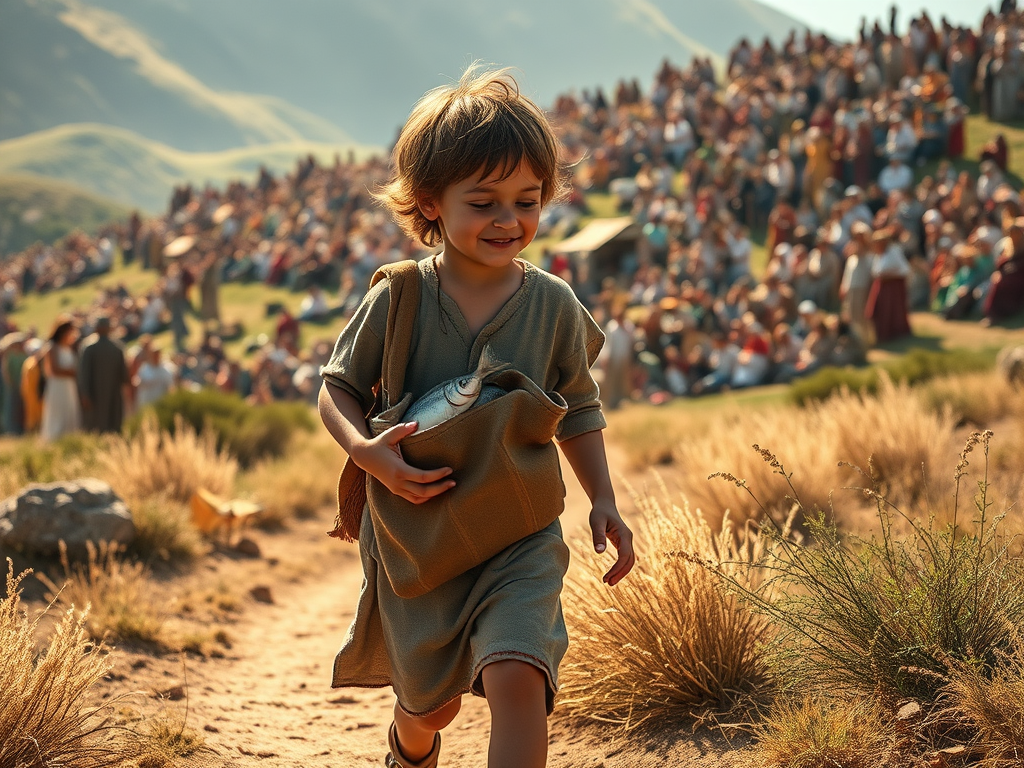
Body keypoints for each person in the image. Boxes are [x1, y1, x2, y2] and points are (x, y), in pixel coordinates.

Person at [317, 68, 635, 768]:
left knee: (520, 675)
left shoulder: (553, 304)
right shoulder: (398, 297)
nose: (508, 220)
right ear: (430, 201)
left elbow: (578, 405)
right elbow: (335, 388)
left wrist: (603, 498)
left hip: (519, 532)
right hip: (419, 538)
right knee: (435, 706)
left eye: (527, 201)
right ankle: (409, 742)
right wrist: (367, 452)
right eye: (484, 201)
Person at [77, 315, 129, 433]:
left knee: (96, 427)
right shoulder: (117, 347)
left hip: (95, 394)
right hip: (113, 393)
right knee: (113, 424)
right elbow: (125, 376)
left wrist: (84, 394)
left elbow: (83, 374)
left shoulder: (89, 347)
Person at [40, 319, 81, 441]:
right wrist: (72, 373)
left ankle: (69, 440)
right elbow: (53, 370)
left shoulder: (69, 348)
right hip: (57, 386)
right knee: (58, 414)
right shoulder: (52, 347)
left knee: (69, 411)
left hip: (69, 386)